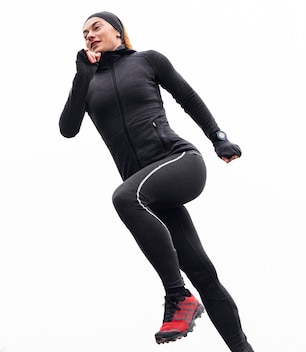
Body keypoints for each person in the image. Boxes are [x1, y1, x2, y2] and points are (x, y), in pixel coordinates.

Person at [59, 11, 254, 351]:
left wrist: (218, 138)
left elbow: (188, 97)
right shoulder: (87, 84)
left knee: (124, 198)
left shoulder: (147, 61)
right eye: (84, 32)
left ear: (118, 32)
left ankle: (178, 297)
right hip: (147, 191)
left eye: (96, 27)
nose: (89, 34)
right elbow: (68, 128)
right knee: (204, 275)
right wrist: (81, 76)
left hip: (179, 162)